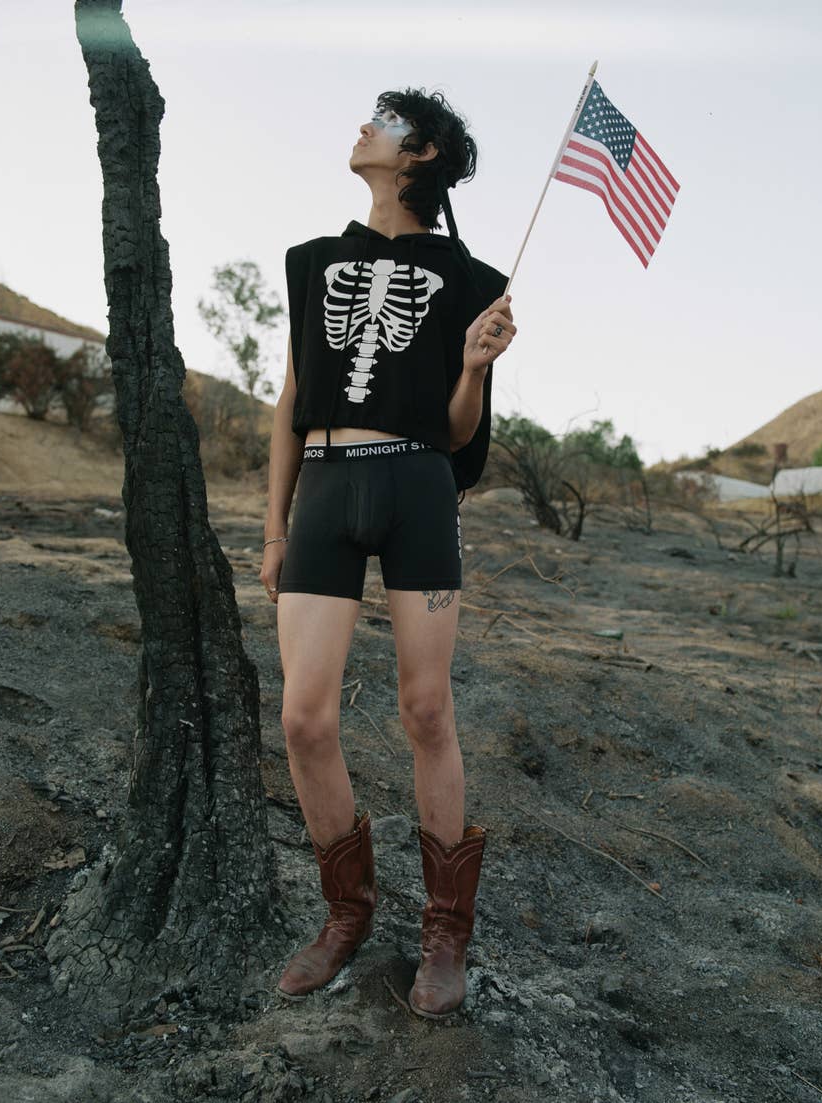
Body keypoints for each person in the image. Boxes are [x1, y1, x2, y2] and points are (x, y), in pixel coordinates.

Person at [260, 87, 516, 1019]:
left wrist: (475, 368)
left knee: (424, 707)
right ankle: (346, 913)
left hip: (417, 487)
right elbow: (288, 405)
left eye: (387, 122)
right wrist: (274, 526)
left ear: (423, 154)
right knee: (303, 719)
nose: (364, 127)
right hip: (324, 488)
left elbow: (456, 439)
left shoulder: (477, 279)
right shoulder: (311, 262)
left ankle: (446, 933)